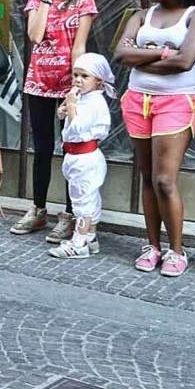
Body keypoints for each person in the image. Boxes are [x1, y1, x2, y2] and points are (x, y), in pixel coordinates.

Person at [114, 0, 195, 278]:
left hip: (176, 101)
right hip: (138, 100)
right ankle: (153, 246)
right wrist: (162, 52)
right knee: (146, 177)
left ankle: (177, 251)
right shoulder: (141, 15)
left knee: (164, 180)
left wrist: (142, 56)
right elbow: (121, 53)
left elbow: (185, 63)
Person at [10, 0, 97, 243]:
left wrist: (75, 88)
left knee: (71, 149)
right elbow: (34, 36)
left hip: (66, 83)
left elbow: (80, 46)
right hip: (38, 81)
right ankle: (38, 209)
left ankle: (69, 214)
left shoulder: (83, 1)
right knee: (42, 148)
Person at [48, 53, 115, 259]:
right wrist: (65, 109)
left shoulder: (93, 102)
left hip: (85, 157)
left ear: (98, 81)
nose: (78, 80)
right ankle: (90, 237)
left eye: (84, 76)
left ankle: (78, 243)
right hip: (76, 156)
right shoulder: (84, 99)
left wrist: (71, 105)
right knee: (89, 199)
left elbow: (77, 127)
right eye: (76, 74)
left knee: (82, 203)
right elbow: (68, 120)